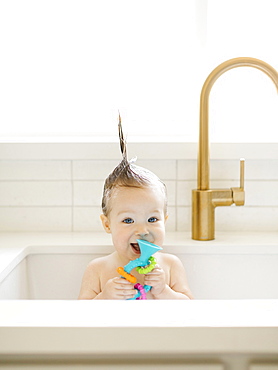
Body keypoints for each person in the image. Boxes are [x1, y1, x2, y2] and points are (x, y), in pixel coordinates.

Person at [78, 119, 193, 300]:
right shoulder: (98, 269)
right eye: (128, 220)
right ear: (107, 225)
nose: (142, 231)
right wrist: (105, 297)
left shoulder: (170, 265)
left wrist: (164, 291)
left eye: (153, 219)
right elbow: (79, 315)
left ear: (165, 221)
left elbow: (191, 310)